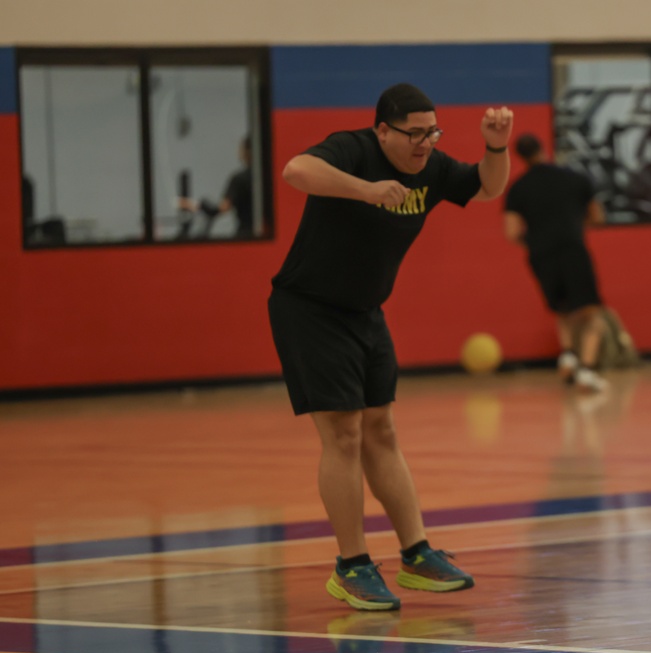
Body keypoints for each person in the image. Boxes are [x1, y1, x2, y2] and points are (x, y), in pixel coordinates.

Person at [268, 83, 513, 611]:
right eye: (414, 134)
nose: (424, 143)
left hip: (366, 313)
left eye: (432, 132)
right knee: (344, 432)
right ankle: (351, 566)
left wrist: (496, 147)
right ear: (383, 129)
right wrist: (367, 189)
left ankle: (417, 555)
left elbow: (487, 188)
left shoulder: (432, 166)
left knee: (381, 427)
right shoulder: (353, 148)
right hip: (310, 308)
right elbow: (295, 171)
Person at [503, 133, 609, 392]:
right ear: (543, 148)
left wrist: (540, 238)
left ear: (520, 156)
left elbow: (512, 232)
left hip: (541, 256)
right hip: (572, 249)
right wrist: (570, 224)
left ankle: (569, 356)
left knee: (562, 311)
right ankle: (587, 370)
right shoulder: (574, 179)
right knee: (593, 317)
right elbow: (597, 217)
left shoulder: (518, 189)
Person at [180, 135, 254, 239]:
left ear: (246, 151)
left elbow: (221, 208)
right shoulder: (265, 178)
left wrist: (197, 205)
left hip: (246, 235)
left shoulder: (239, 179)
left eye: (240, 148)